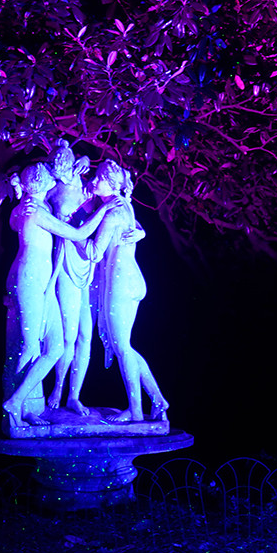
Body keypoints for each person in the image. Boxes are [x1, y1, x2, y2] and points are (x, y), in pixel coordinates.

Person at [2, 162, 121, 428]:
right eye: (51, 177)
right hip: (30, 280)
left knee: (54, 347)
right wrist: (103, 210)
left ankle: (22, 403)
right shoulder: (35, 210)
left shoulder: (37, 206)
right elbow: (79, 233)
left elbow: (14, 221)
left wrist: (19, 194)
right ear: (45, 183)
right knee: (29, 346)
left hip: (42, 282)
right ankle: (17, 407)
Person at [89, 160, 169, 423]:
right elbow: (135, 228)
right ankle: (158, 400)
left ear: (111, 183)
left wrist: (66, 233)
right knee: (126, 347)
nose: (94, 182)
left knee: (123, 348)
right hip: (131, 279)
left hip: (121, 284)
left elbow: (94, 252)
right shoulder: (125, 204)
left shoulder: (111, 213)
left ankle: (135, 411)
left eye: (99, 179)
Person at [45, 140, 97, 415]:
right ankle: (58, 386)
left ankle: (74, 396)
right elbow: (29, 183)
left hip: (88, 261)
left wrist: (86, 157)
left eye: (65, 169)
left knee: (86, 335)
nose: (63, 174)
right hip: (66, 259)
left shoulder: (84, 182)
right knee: (69, 335)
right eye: (58, 171)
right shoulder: (52, 188)